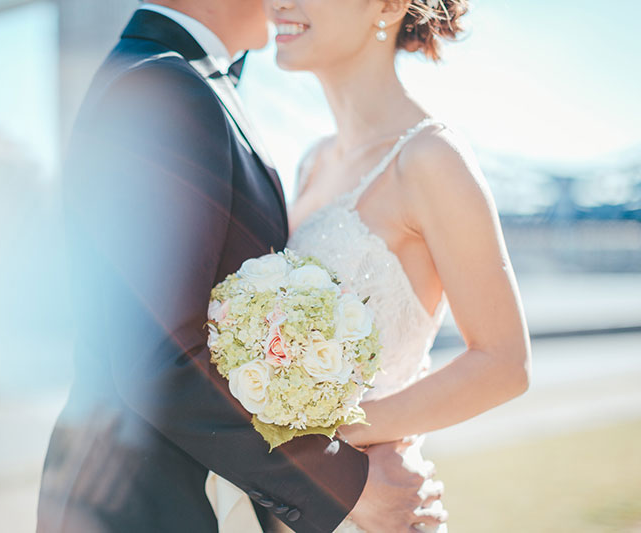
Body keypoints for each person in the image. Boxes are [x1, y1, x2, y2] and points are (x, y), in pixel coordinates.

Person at [36, 1, 442, 532]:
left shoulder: (185, 80)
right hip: (145, 504)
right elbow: (161, 358)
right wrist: (345, 484)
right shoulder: (163, 86)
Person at [246, 0, 531, 530]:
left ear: (388, 6)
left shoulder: (430, 157)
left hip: (375, 500)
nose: (278, 2)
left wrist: (338, 440)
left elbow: (504, 362)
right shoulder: (314, 161)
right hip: (305, 504)